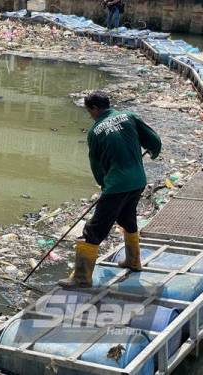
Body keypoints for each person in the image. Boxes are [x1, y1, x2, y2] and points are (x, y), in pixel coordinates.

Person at [58, 91, 162, 289]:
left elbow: (97, 166)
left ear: (95, 109)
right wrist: (154, 152)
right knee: (127, 218)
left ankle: (81, 277)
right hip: (138, 180)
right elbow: (154, 140)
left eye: (90, 111)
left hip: (117, 185)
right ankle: (133, 260)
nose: (90, 115)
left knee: (94, 229)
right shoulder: (129, 116)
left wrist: (105, 186)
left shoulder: (95, 132)